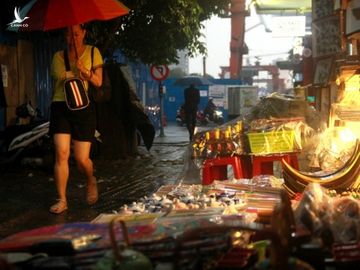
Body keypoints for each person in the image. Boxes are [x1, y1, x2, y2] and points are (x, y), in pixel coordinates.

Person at [49, 24, 103, 214]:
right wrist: (74, 71)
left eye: (77, 34)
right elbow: (60, 76)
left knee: (81, 159)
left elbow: (98, 82)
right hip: (61, 106)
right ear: (65, 36)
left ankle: (91, 180)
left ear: (84, 34)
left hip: (83, 107)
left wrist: (86, 73)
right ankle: (62, 199)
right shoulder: (58, 56)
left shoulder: (93, 52)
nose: (74, 38)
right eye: (70, 35)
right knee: (61, 153)